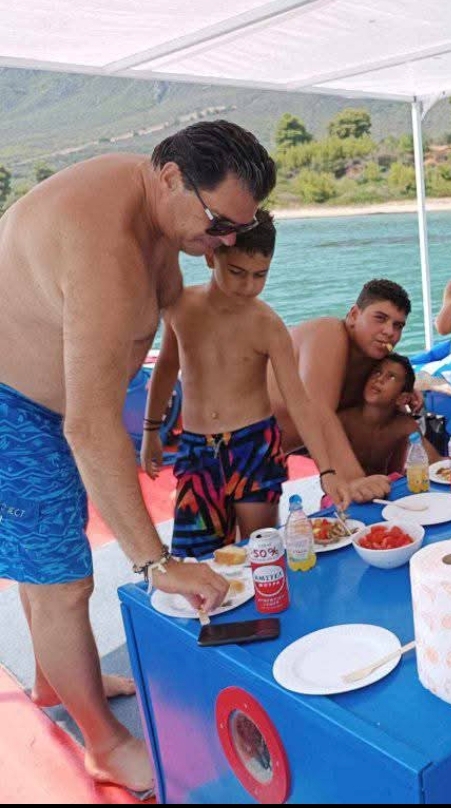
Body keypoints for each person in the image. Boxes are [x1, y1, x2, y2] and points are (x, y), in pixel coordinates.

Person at [0, 120, 274, 793]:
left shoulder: (154, 194)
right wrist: (158, 564)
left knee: (47, 564)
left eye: (239, 228)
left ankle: (54, 681)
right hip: (17, 409)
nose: (225, 242)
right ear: (173, 178)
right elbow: (90, 427)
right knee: (63, 582)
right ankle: (104, 742)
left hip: (55, 400)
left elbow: (174, 306)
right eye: (218, 225)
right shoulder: (105, 249)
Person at [141, 210, 351, 558]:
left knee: (261, 551)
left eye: (260, 275)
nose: (248, 285)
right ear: (211, 256)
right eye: (237, 272)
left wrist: (327, 470)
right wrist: (151, 431)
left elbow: (299, 401)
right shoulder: (180, 307)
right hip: (197, 451)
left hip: (254, 447)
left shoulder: (268, 325)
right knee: (197, 559)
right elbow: (165, 368)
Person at [268, 279, 420, 498]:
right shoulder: (327, 332)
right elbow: (318, 410)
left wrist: (405, 389)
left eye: (398, 326)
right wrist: (354, 480)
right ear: (354, 315)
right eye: (380, 318)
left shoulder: (371, 361)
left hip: (271, 458)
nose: (389, 331)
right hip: (231, 447)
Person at [337, 353, 442, 475]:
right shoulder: (343, 421)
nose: (379, 379)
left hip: (384, 484)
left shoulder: (404, 425)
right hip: (344, 483)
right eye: (377, 372)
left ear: (402, 398)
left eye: (391, 377)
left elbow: (435, 461)